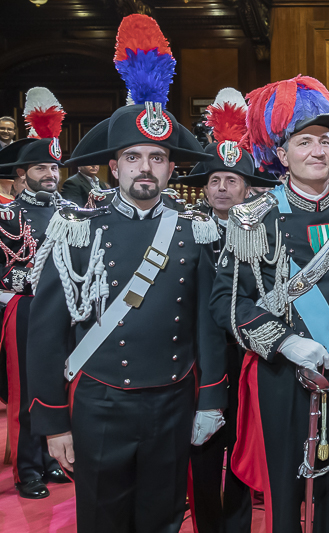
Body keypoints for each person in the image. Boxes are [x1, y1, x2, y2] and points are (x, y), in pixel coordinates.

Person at [26, 14, 228, 532]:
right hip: (100, 401)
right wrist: (52, 424)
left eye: (157, 158)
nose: (145, 168)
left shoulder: (195, 231)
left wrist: (209, 401)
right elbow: (46, 333)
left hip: (173, 398)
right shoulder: (77, 229)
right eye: (133, 157)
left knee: (163, 519)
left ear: (170, 167)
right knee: (102, 520)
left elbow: (208, 325)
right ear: (114, 166)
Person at [210, 75, 329, 533]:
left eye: (325, 141)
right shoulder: (252, 217)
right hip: (282, 372)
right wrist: (284, 343)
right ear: (281, 155)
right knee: (283, 494)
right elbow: (229, 300)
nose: (318, 152)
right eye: (304, 142)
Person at [178, 88, 278, 533]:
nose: (221, 188)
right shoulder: (183, 230)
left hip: (243, 356)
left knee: (240, 449)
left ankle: (237, 525)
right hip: (194, 360)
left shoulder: (262, 233)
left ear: (245, 188)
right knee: (200, 452)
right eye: (215, 180)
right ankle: (208, 525)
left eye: (231, 180)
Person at [0, 89, 71, 499]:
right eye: (41, 167)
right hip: (25, 310)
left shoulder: (72, 212)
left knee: (59, 385)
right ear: (22, 173)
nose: (50, 174)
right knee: (27, 390)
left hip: (69, 309)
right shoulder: (6, 215)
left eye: (54, 167)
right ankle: (27, 467)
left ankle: (51, 459)